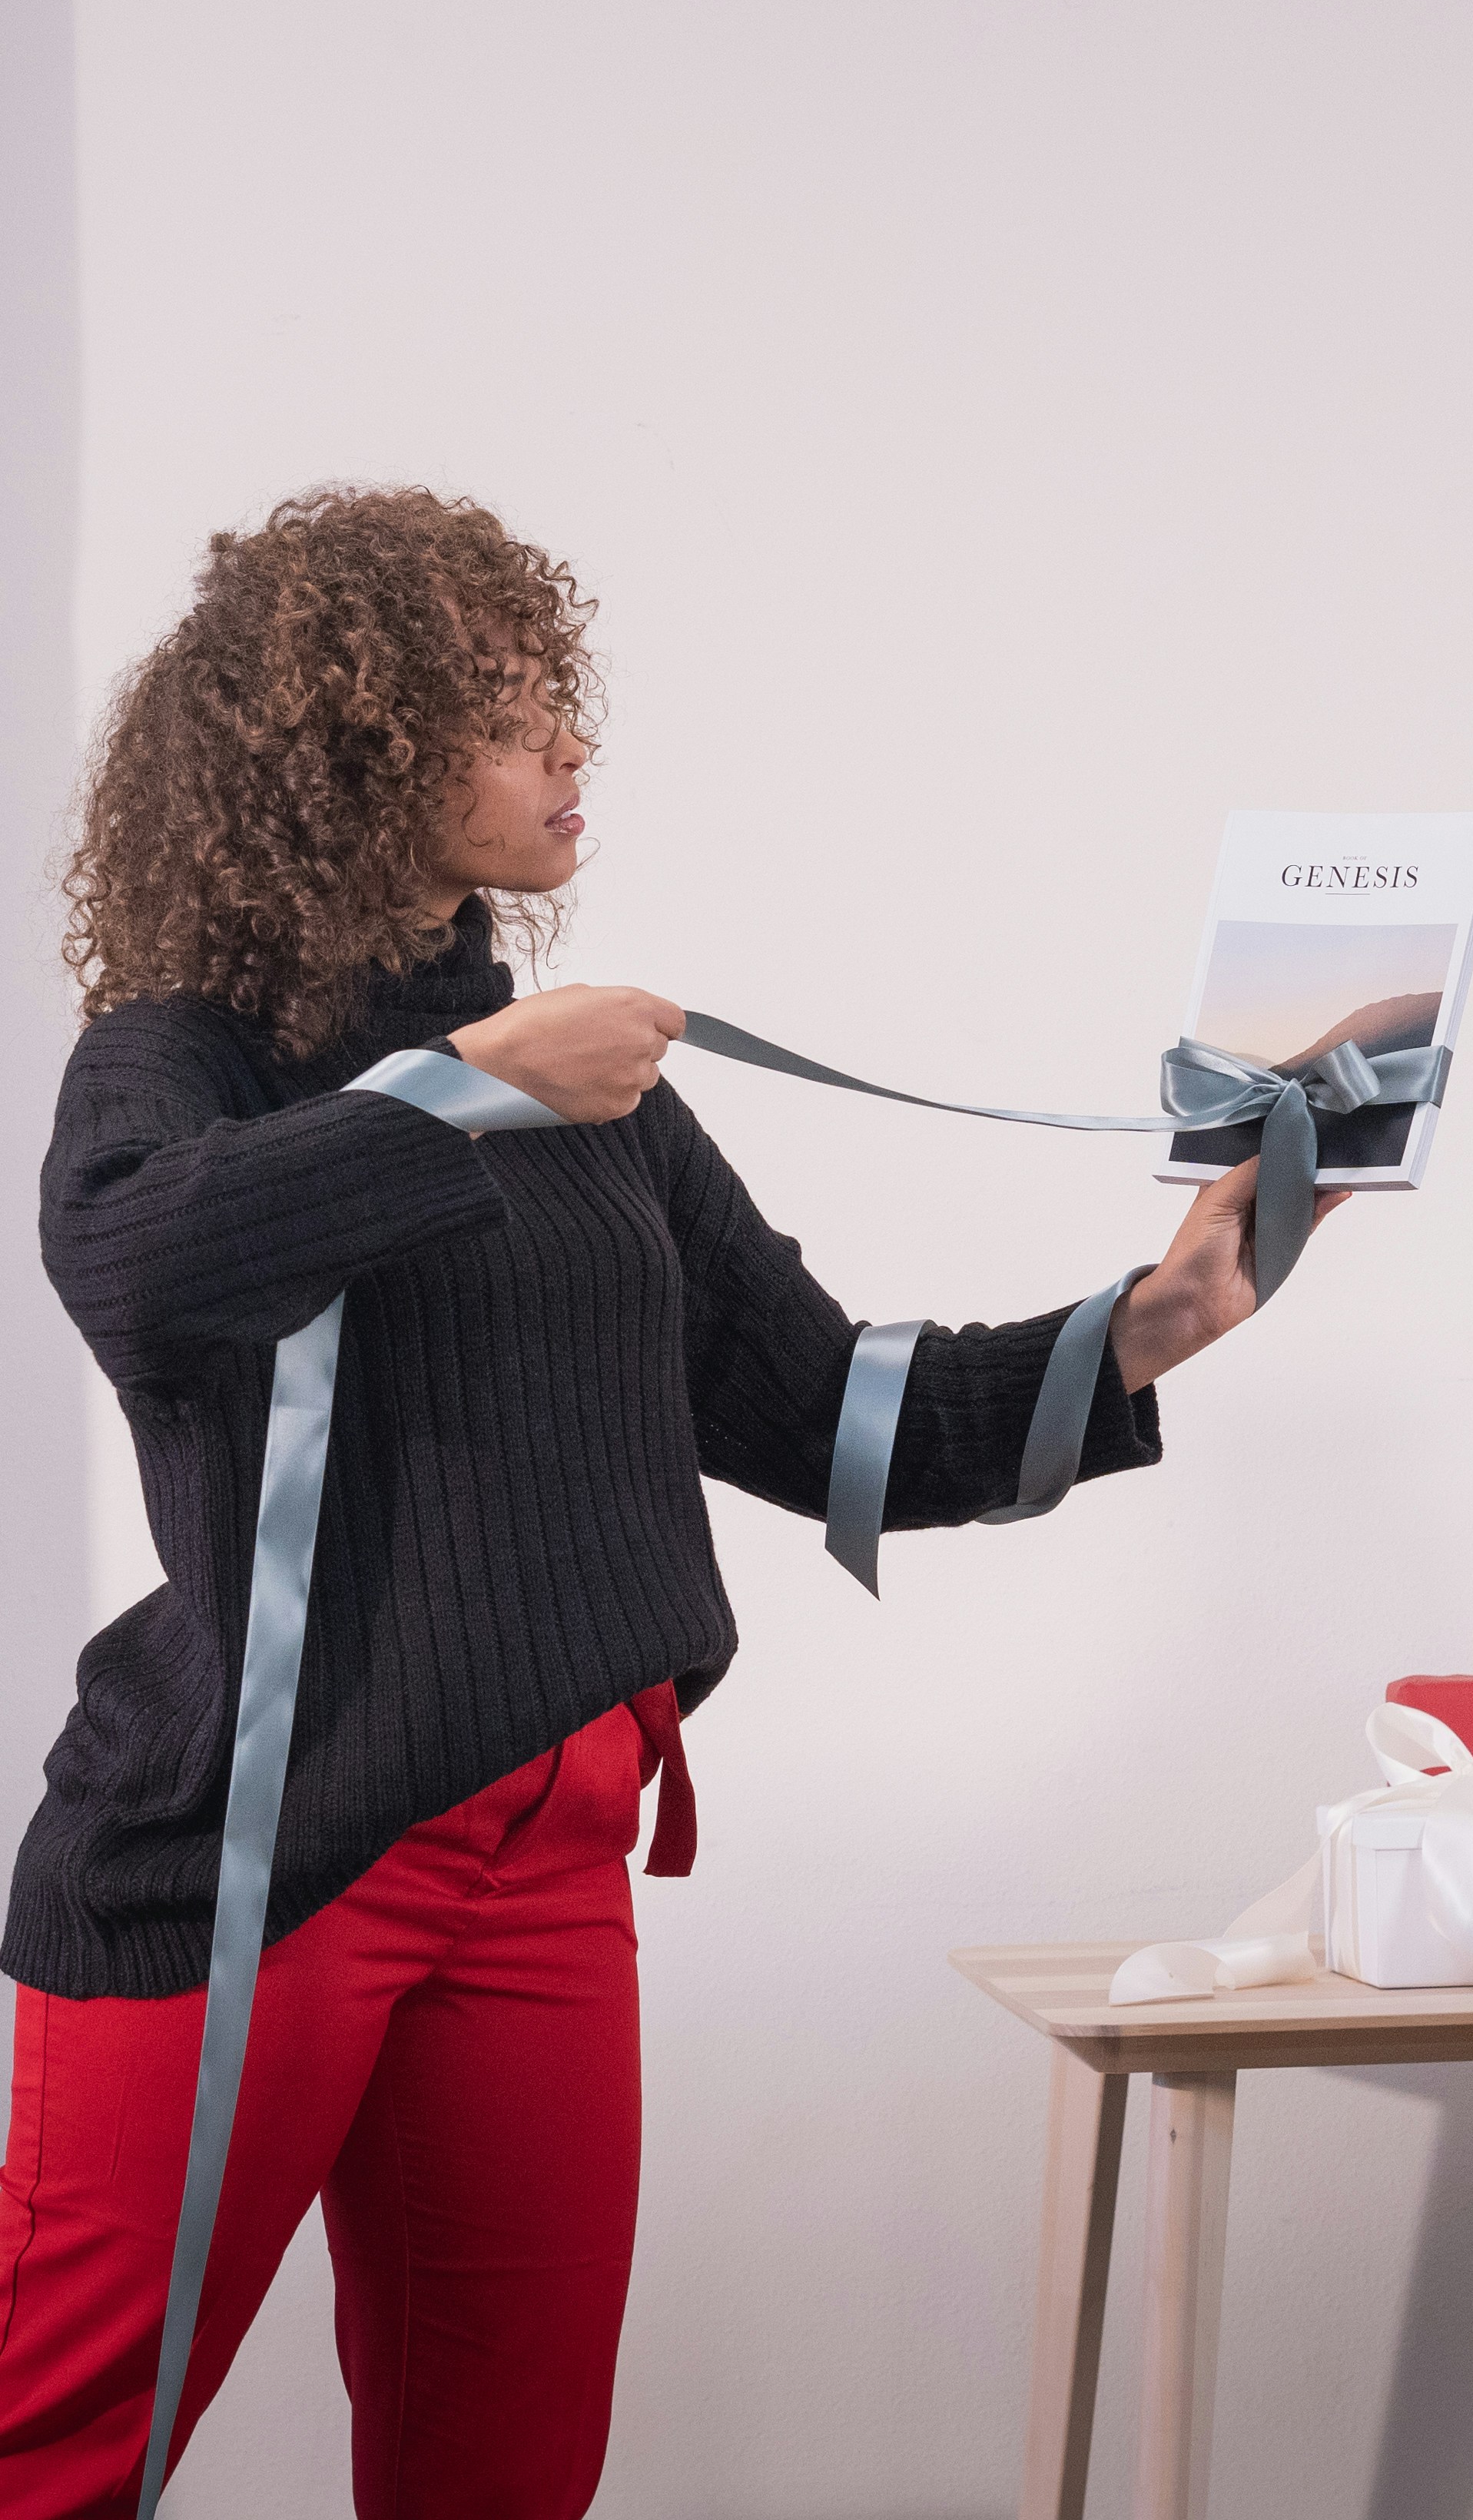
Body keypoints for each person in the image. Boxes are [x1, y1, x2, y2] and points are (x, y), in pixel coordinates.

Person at [0, 487, 1342, 2517]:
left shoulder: (593, 1089)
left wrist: (1156, 1321)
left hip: (547, 1864)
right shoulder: (195, 1056)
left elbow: (834, 1412)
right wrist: (473, 1088)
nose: (571, 751)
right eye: (511, 709)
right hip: (252, 1861)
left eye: (565, 700)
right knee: (55, 2454)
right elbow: (133, 1271)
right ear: (356, 752)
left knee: (506, 2479)